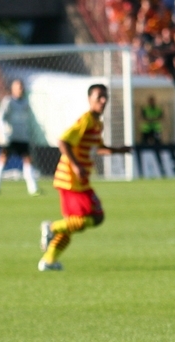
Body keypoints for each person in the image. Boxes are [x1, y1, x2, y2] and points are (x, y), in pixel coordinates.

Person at [38, 84, 131, 272]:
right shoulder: (85, 120)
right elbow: (63, 141)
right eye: (99, 97)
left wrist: (119, 150)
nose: (103, 101)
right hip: (70, 180)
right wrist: (75, 165)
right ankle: (51, 228)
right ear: (90, 100)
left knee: (73, 225)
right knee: (95, 216)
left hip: (79, 181)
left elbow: (98, 148)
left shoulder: (97, 123)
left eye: (105, 97)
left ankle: (48, 261)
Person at [0, 79, 39, 197]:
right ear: (13, 89)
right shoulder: (8, 102)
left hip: (22, 137)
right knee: (3, 158)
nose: (21, 89)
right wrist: (3, 133)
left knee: (27, 160)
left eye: (21, 87)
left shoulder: (26, 103)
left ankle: (33, 189)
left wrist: (30, 133)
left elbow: (29, 120)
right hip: (9, 138)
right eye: (18, 87)